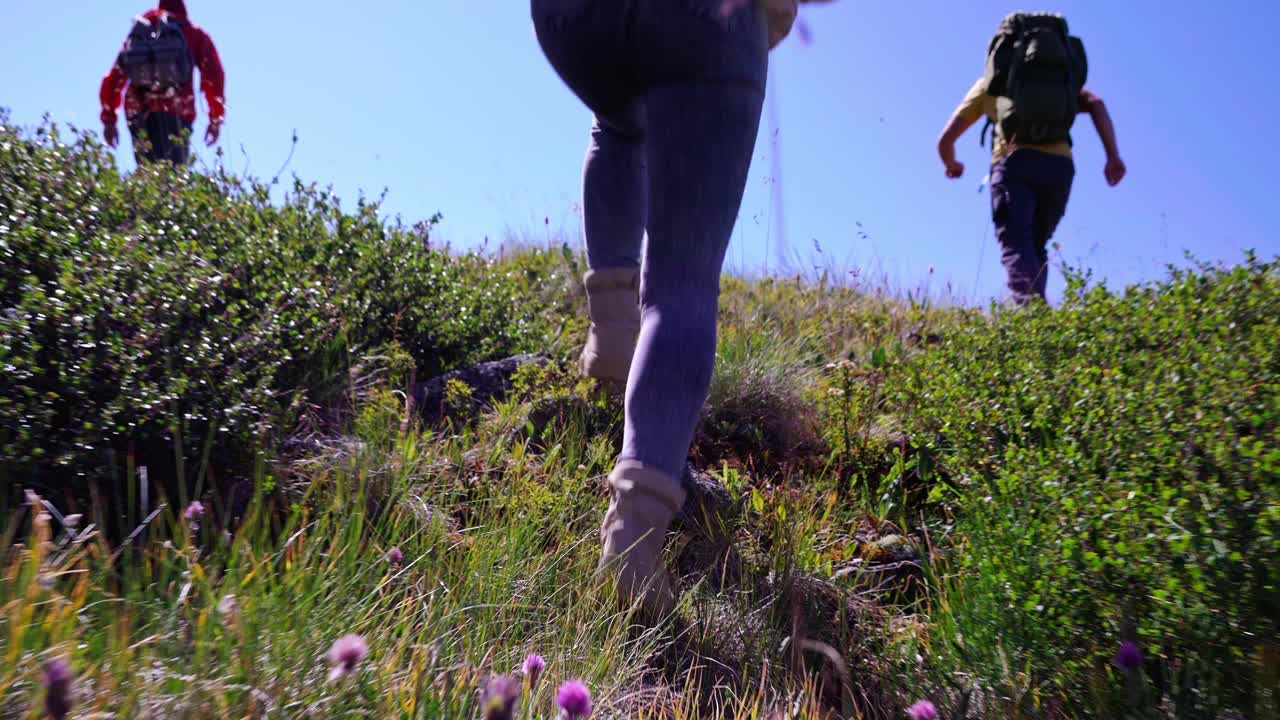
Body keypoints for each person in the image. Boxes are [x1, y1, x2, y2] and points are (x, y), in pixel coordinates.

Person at [532, 0, 807, 614]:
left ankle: (611, 335)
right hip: (706, 21)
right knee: (683, 281)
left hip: (572, 24)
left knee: (617, 121)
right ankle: (632, 543)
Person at [937, 12, 1126, 305]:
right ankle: (1037, 315)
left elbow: (945, 140)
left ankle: (1033, 317)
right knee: (1035, 243)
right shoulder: (1063, 81)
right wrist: (1113, 156)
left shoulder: (992, 83)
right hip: (1059, 168)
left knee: (1016, 241)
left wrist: (952, 164)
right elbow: (1096, 103)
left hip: (1014, 164)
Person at [100, 0, 225, 166]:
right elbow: (215, 75)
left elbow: (115, 76)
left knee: (147, 175)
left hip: (138, 113)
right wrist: (215, 119)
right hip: (178, 112)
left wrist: (109, 120)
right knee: (172, 180)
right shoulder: (193, 33)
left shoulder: (141, 32)